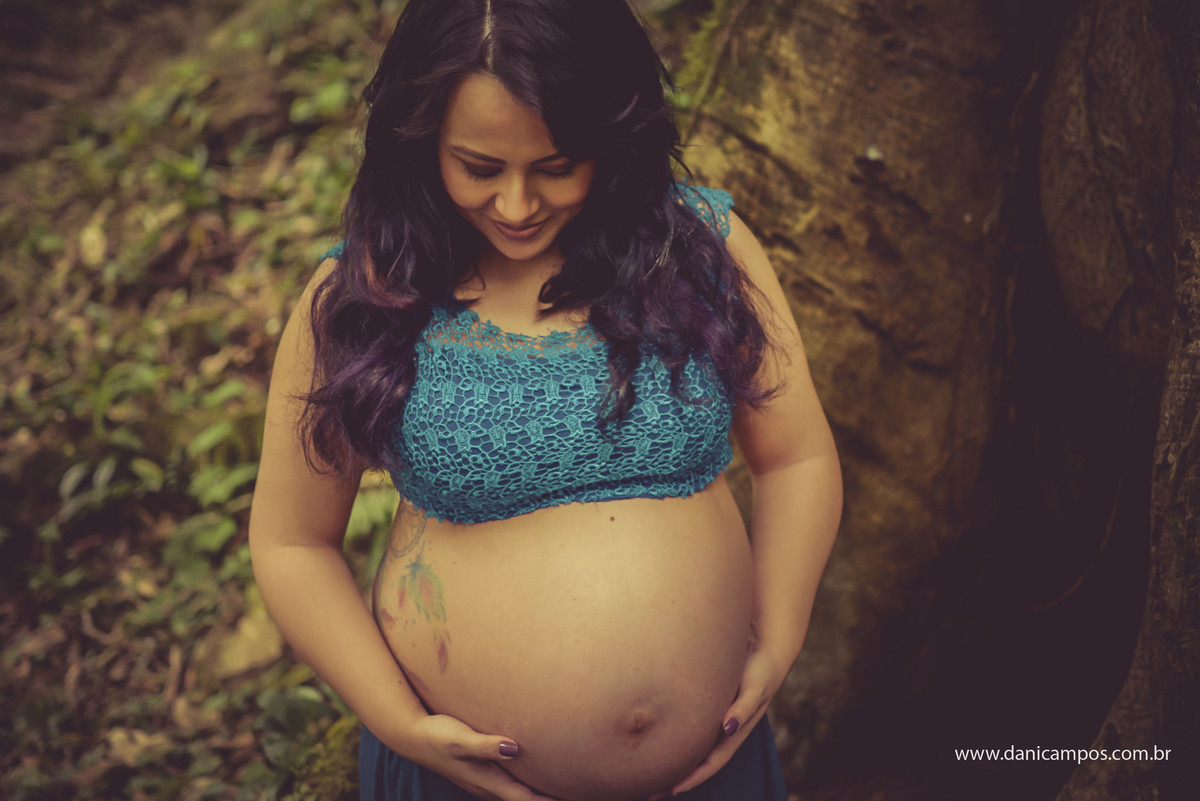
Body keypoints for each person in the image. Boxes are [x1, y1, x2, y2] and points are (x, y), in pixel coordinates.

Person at [248, 0, 842, 799]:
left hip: (714, 773)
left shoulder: (695, 249)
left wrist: (778, 636)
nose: (518, 205)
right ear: (419, 140)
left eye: (557, 165)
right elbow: (292, 542)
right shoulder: (367, 297)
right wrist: (397, 721)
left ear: (615, 134)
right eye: (480, 167)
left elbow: (796, 455)